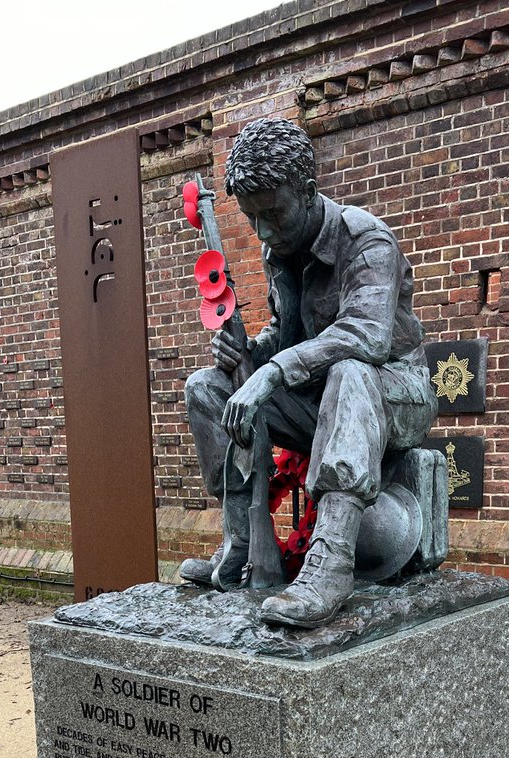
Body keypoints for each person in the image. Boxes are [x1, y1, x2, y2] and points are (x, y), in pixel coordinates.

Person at [181, 118, 437, 628]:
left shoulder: (366, 242)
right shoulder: (280, 253)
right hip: (322, 401)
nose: (265, 232)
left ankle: (331, 561)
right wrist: (246, 353)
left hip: (395, 396)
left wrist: (272, 371)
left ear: (307, 191)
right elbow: (286, 337)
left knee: (350, 370)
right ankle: (239, 544)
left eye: (274, 213)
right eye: (254, 219)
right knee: (207, 388)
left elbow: (367, 337)